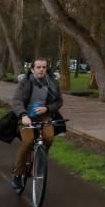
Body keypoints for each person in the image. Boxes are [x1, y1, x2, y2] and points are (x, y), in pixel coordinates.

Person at [9, 57, 63, 193]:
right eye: (38, 67)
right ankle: (17, 174)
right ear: (32, 69)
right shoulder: (25, 82)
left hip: (44, 115)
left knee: (49, 137)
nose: (41, 70)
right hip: (26, 116)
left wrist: (47, 108)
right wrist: (23, 115)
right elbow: (17, 100)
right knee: (27, 142)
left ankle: (40, 159)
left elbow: (59, 102)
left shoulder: (52, 83)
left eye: (44, 67)